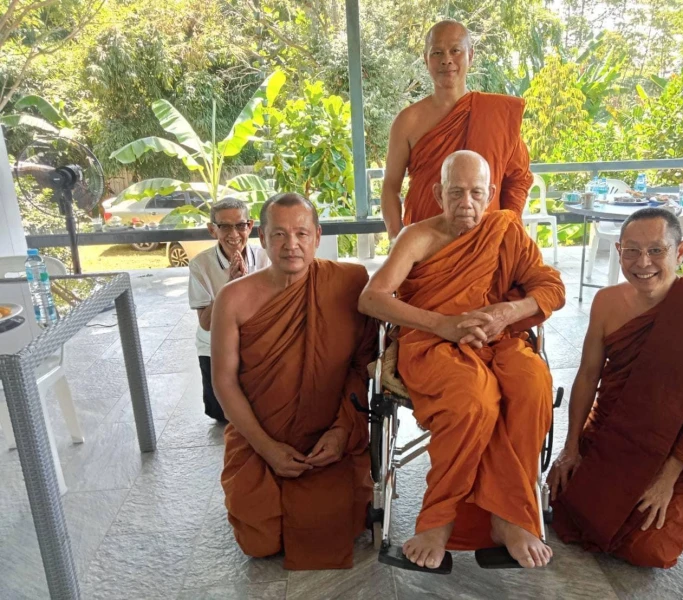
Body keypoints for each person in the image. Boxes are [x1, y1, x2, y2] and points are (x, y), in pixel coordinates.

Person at [360, 150, 565, 570]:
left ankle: (509, 517)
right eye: (456, 193)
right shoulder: (416, 237)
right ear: (439, 194)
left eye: (476, 193)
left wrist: (508, 312)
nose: (466, 203)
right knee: (474, 400)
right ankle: (439, 520)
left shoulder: (505, 230)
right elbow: (372, 298)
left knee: (532, 384)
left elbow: (551, 288)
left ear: (491, 193)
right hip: (432, 342)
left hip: (498, 338)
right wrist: (444, 325)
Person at [547, 208, 683, 568]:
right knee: (566, 504)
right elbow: (588, 376)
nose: (643, 262)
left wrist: (668, 478)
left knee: (648, 548)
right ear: (619, 251)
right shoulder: (607, 302)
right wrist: (571, 448)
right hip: (618, 431)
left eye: (657, 250)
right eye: (632, 250)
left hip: (677, 444)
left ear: (680, 250)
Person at [210, 193, 376, 570]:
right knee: (259, 541)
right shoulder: (232, 299)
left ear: (317, 236)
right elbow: (223, 382)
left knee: (334, 526)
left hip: (327, 436)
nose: (292, 245)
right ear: (262, 238)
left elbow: (361, 366)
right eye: (279, 234)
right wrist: (267, 447)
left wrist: (342, 431)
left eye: (301, 233)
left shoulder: (348, 282)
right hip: (259, 433)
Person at [381, 19, 533, 240]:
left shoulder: (495, 114)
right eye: (437, 53)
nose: (447, 60)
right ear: (426, 59)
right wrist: (397, 240)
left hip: (484, 244)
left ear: (470, 55)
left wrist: (506, 230)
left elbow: (518, 178)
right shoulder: (408, 121)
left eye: (455, 51)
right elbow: (390, 187)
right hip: (425, 245)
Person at [188, 197, 266, 422]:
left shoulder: (265, 257)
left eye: (240, 225)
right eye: (224, 226)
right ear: (212, 229)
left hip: (255, 340)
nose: (234, 234)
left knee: (263, 406)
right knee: (221, 414)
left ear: (250, 226)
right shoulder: (200, 265)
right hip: (215, 345)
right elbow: (206, 323)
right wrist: (230, 286)